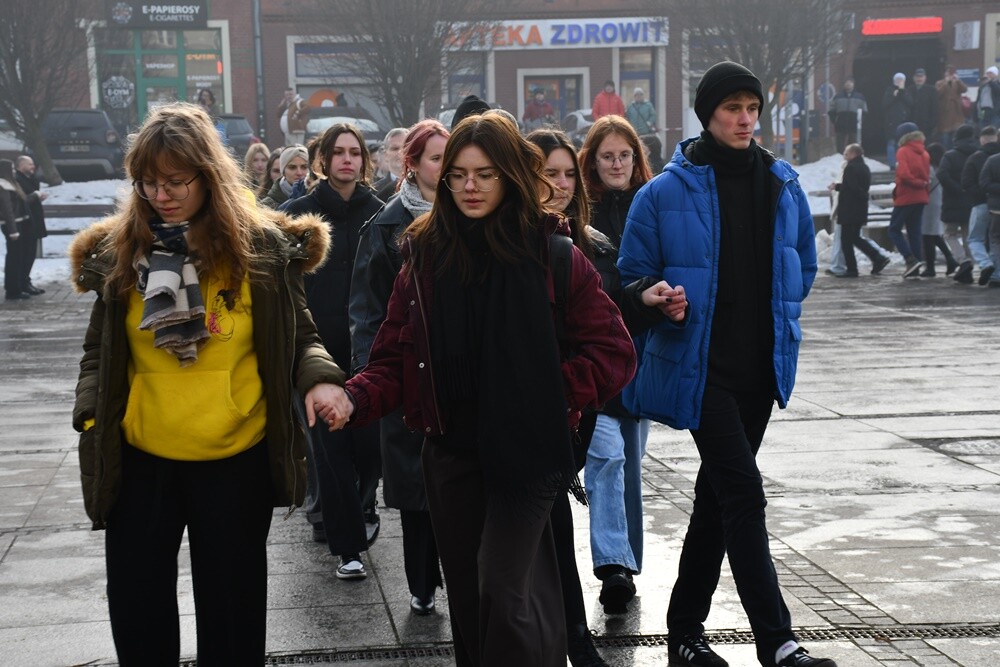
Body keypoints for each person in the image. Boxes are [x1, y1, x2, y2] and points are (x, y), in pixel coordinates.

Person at [330, 113, 637, 665]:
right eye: (458, 174)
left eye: (485, 174)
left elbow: (614, 352)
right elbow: (395, 359)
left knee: (503, 588)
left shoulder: (553, 254)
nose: (470, 186)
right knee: (472, 604)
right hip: (451, 455)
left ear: (511, 177)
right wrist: (352, 398)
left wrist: (546, 394)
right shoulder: (423, 259)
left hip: (529, 452)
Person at [67, 102, 349, 666]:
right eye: (148, 183)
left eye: (175, 181)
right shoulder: (122, 254)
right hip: (141, 460)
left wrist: (321, 381)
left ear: (209, 176)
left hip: (235, 460)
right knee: (138, 614)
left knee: (232, 617)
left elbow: (300, 337)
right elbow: (99, 351)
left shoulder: (260, 250)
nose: (161, 195)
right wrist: (92, 414)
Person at [618, 61, 835, 667]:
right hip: (700, 370)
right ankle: (777, 642)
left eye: (752, 108)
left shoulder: (782, 184)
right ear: (707, 115)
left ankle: (684, 632)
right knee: (743, 493)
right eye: (733, 108)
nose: (745, 119)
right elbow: (630, 278)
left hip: (760, 371)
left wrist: (780, 314)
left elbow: (802, 268)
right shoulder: (663, 193)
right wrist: (654, 298)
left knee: (716, 499)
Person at [528, 128, 685, 666]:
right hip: (540, 399)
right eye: (550, 174)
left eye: (567, 174)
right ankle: (590, 599)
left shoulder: (591, 238)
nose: (562, 184)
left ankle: (610, 575)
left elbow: (609, 310)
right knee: (594, 473)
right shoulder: (519, 241)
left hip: (596, 388)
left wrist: (648, 299)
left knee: (617, 466)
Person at [349, 118, 448, 615]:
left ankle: (455, 572)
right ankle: (422, 581)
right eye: (436, 158)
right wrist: (373, 376)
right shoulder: (386, 225)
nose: (445, 168)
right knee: (412, 484)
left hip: (454, 375)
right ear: (413, 164)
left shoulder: (468, 213)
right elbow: (366, 310)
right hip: (407, 373)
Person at [283, 123, 384, 579]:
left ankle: (358, 510)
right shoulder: (296, 215)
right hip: (315, 351)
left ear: (364, 161)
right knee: (329, 447)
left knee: (369, 448)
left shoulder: (380, 213)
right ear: (322, 160)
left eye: (354, 152)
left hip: (368, 349)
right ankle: (348, 547)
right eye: (338, 152)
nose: (347, 159)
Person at [577, 114, 654, 615]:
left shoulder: (651, 203)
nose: (617, 164)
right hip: (597, 355)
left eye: (624, 155)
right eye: (607, 156)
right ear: (593, 160)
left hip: (640, 352)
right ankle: (614, 567)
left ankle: (627, 560)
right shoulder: (581, 210)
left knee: (630, 462)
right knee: (607, 460)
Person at [828, 144, 890, 277]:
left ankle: (852, 269)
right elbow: (854, 186)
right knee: (855, 238)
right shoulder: (864, 167)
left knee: (846, 240)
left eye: (846, 153)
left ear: (853, 154)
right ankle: (877, 257)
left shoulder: (850, 168)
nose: (844, 156)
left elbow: (852, 188)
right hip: (860, 208)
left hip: (849, 210)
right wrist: (838, 187)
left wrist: (841, 190)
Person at [959, 125, 999, 285]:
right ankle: (996, 273)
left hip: (981, 204)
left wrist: (982, 195)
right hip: (996, 206)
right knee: (995, 240)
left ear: (982, 140)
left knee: (975, 238)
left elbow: (966, 182)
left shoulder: (976, 158)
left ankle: (985, 264)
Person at [889, 122, 930, 278]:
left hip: (906, 196)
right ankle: (916, 265)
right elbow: (926, 176)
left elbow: (904, 174)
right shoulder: (924, 153)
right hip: (921, 196)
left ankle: (910, 259)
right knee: (914, 232)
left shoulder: (903, 151)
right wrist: (922, 185)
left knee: (894, 229)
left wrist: (912, 182)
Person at [939, 124, 978, 280]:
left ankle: (963, 260)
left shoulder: (949, 156)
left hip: (952, 201)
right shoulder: (977, 154)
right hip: (972, 201)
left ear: (957, 138)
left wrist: (956, 188)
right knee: (969, 235)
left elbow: (942, 174)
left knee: (949, 234)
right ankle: (969, 268)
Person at [919, 143, 958, 277]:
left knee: (927, 235)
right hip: (938, 201)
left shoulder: (929, 168)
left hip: (929, 203)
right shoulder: (943, 167)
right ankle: (950, 259)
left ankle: (930, 268)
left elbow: (926, 184)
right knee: (934, 234)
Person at [14, 155, 49, 294]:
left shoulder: (28, 178)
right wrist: (36, 195)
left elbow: (33, 190)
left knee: (30, 254)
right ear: (21, 165)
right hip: (26, 223)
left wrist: (37, 195)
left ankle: (26, 281)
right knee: (26, 255)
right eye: (30, 164)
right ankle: (23, 283)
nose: (33, 166)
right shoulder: (18, 180)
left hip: (33, 222)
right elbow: (23, 200)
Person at [1, 159, 31, 300]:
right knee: (14, 258)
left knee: (16, 257)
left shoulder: (10, 184)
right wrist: (13, 230)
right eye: (12, 169)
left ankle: (14, 288)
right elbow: (7, 210)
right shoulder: (3, 186)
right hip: (12, 226)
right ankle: (13, 290)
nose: (14, 171)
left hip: (16, 224)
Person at [978, 139, 1000, 287]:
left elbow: (984, 183)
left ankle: (996, 275)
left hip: (996, 208)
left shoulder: (992, 160)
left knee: (995, 241)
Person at [259, 144, 309, 209]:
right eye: (292, 167)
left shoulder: (318, 198)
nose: (299, 173)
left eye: (304, 167)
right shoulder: (266, 206)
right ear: (283, 171)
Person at [827, 78, 867, 153]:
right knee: (840, 144)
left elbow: (864, 111)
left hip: (854, 124)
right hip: (840, 124)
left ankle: (853, 157)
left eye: (850, 82)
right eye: (847, 82)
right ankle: (839, 157)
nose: (848, 84)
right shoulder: (838, 96)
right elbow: (831, 111)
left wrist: (859, 122)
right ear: (844, 84)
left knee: (853, 144)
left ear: (854, 84)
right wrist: (835, 121)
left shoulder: (860, 97)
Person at [882, 73, 913, 168]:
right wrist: (893, 96)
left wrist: (902, 92)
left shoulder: (906, 91)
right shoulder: (889, 90)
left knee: (903, 144)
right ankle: (892, 164)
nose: (899, 81)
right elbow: (884, 104)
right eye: (897, 79)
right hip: (891, 122)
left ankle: (902, 163)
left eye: (901, 80)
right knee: (891, 143)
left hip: (903, 121)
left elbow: (911, 103)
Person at [935, 66, 968, 148]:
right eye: (948, 73)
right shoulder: (940, 83)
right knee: (945, 140)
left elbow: (964, 89)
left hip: (957, 114)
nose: (950, 75)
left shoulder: (956, 83)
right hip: (945, 114)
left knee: (955, 138)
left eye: (951, 73)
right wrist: (946, 83)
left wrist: (958, 80)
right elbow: (938, 93)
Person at [372, 127, 407, 201]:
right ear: (386, 155)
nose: (400, 152)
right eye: (395, 148)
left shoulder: (425, 186)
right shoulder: (374, 191)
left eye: (405, 147)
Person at [908, 68, 938, 141]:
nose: (919, 79)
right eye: (917, 76)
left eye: (921, 76)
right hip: (912, 124)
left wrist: (932, 124)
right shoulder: (909, 90)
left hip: (926, 126)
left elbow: (935, 109)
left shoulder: (932, 90)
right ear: (913, 78)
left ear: (925, 78)